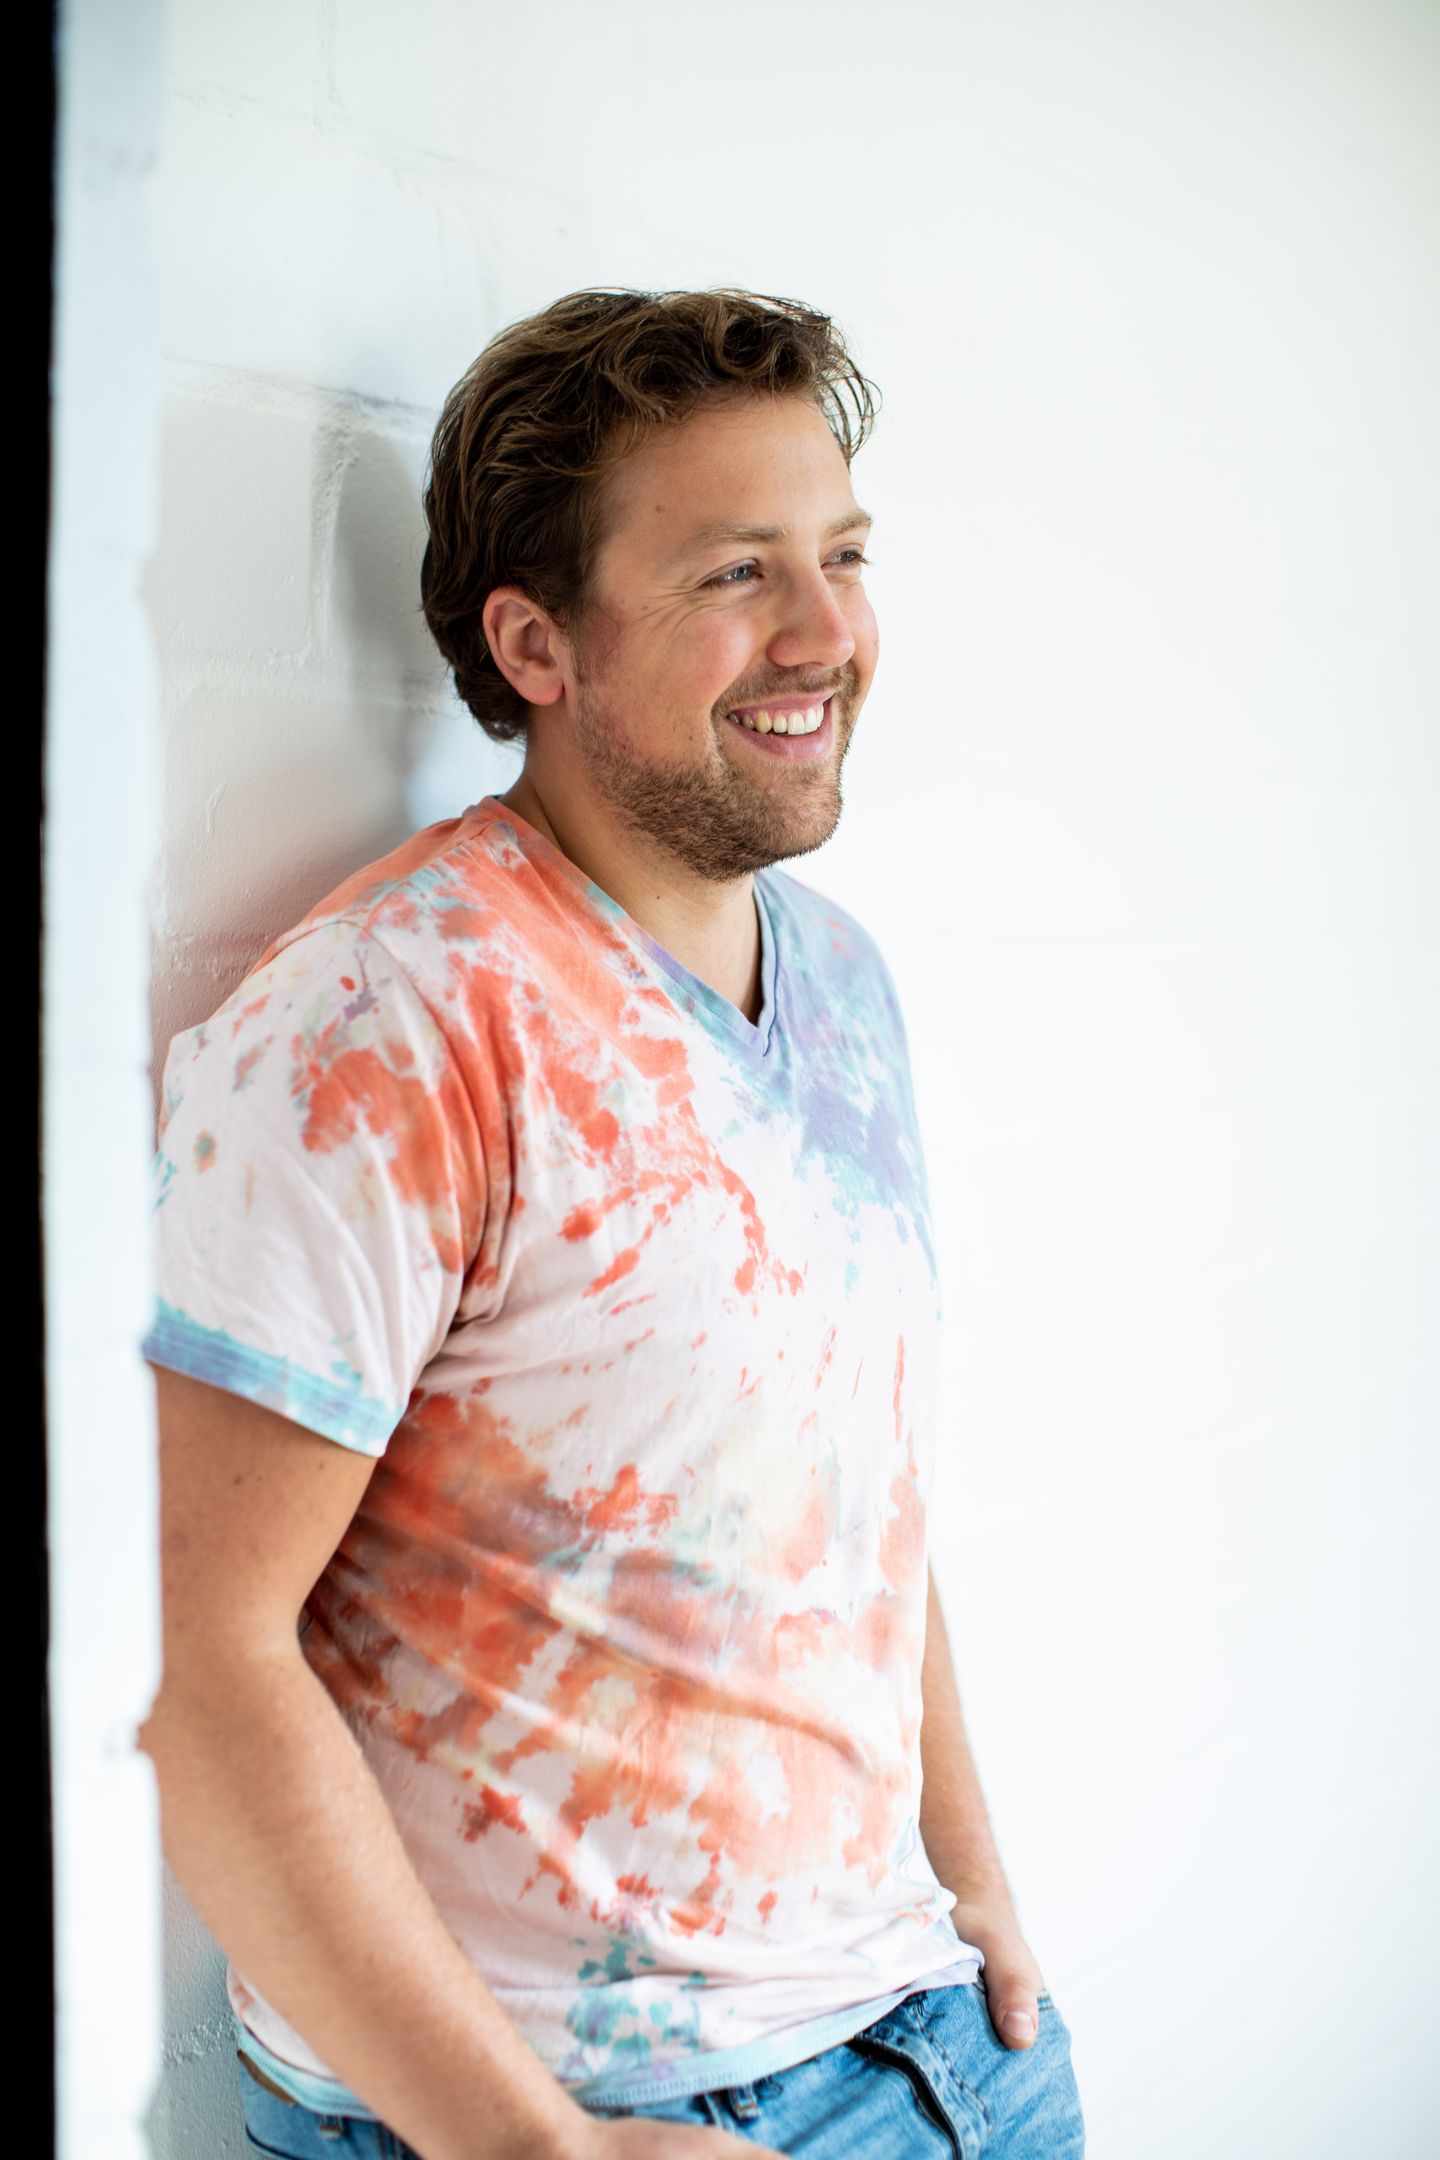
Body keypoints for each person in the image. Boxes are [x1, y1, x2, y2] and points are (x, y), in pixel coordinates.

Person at [140, 288, 1085, 2159]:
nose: (826, 632)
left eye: (842, 556)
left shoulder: (844, 979)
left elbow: (849, 1493)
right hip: (578, 2112)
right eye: (738, 572)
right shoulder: (392, 1012)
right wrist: (537, 2151)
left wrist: (973, 1880)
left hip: (940, 2047)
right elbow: (196, 1660)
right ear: (536, 643)